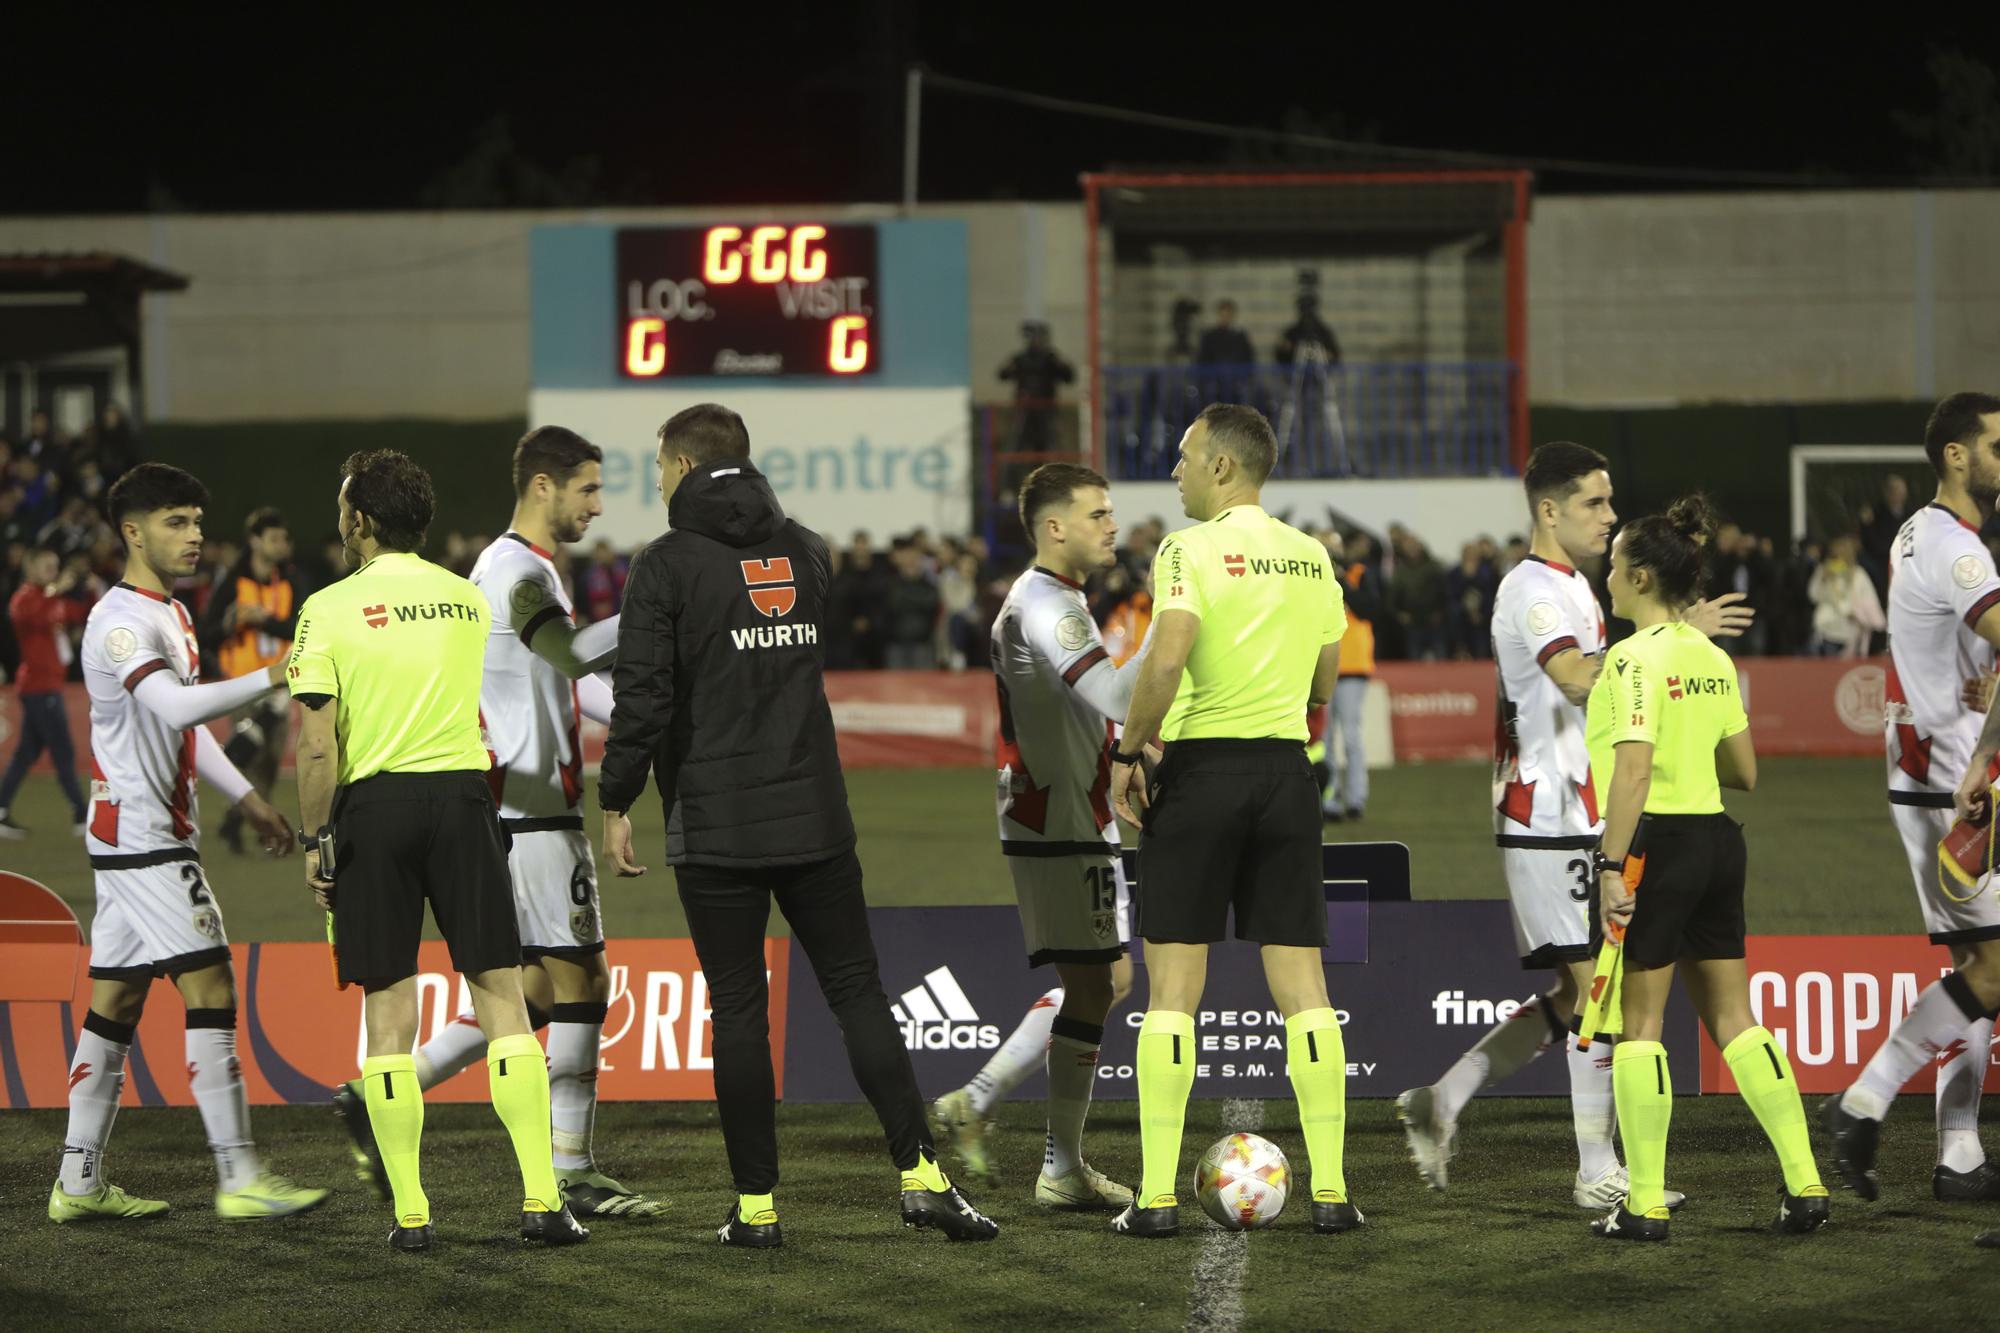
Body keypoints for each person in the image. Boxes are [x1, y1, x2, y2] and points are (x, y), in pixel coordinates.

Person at [598, 403, 996, 1247]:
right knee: (859, 993)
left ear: (681, 464)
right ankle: (923, 1177)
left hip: (716, 824)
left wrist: (615, 797)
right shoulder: (805, 549)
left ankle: (757, 1210)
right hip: (814, 810)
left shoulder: (663, 565)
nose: (658, 478)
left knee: (739, 1008)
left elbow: (644, 697)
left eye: (660, 464)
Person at [1395, 442, 1745, 1209]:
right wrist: (1679, 633)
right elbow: (1577, 677)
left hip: (1573, 812)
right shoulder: (1536, 590)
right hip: (1547, 815)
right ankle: (1596, 1170)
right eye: (1594, 501)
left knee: (1572, 993)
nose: (1611, 514)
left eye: (1610, 499)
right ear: (1548, 511)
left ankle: (1442, 1100)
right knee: (1602, 997)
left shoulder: (1579, 589)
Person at [333, 428, 660, 1221]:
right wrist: (659, 605)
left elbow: (561, 685)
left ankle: (375, 1093)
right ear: (543, 485)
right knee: (582, 979)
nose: (597, 504)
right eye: (587, 488)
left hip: (515, 810)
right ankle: (572, 1166)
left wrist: (644, 719)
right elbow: (576, 654)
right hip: (531, 816)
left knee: (534, 986)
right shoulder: (515, 570)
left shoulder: (520, 568)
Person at [289, 448, 588, 1252]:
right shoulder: (464, 599)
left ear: (359, 519)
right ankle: (540, 1199)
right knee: (502, 997)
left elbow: (317, 745)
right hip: (462, 801)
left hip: (374, 808)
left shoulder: (327, 607)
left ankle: (413, 1213)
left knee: (389, 1011)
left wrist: (318, 839)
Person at [49, 464, 326, 1225]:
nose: (196, 533)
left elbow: (183, 725)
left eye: (198, 519)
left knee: (115, 1003)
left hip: (141, 836)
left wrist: (245, 796)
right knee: (211, 988)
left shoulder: (169, 611)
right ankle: (239, 1174)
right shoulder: (121, 622)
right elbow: (171, 706)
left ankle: (76, 1182)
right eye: (177, 520)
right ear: (132, 532)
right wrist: (279, 673)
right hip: (145, 840)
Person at [1105, 402, 1356, 1239]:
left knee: (1174, 990)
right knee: (1306, 991)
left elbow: (1167, 654)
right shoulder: (1313, 555)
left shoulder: (1188, 548)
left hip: (1204, 772)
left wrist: (1129, 750)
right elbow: (1326, 682)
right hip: (1287, 775)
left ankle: (1154, 1197)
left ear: (1221, 466)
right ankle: (1331, 1190)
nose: (1174, 470)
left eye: (1183, 457)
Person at [1587, 494, 1829, 1241]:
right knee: (1735, 1017)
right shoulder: (1711, 655)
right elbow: (1746, 770)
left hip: (1656, 843)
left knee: (1642, 1023)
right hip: (1719, 840)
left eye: (1615, 563)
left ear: (1637, 576)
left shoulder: (1632, 657)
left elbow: (1631, 772)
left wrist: (1609, 866)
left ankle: (1646, 1203)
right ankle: (1806, 1182)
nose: (1607, 573)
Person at [931, 462, 1143, 1208]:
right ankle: (1056, 1164)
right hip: (1059, 820)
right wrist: (1184, 623)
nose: (1111, 524)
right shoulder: (1047, 603)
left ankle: (988, 1107)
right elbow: (1114, 689)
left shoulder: (1057, 599)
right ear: (1055, 527)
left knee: (1104, 980)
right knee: (1099, 981)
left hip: (1070, 813)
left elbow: (1094, 708)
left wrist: (1127, 749)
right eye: (1097, 513)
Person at [1822, 392, 2000, 1225]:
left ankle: (1958, 1151)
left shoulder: (1920, 533)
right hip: (1952, 780)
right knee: (1992, 970)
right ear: (1957, 455)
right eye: (1999, 443)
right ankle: (1866, 1098)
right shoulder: (1959, 550)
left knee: (1980, 965)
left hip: (1934, 766)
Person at [199, 508, 301, 856]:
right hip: (242, 684)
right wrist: (230, 623)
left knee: (270, 760)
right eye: (273, 538)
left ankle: (243, 818)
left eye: (283, 538)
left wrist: (265, 620)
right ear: (255, 541)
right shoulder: (232, 582)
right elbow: (207, 633)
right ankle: (255, 824)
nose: (281, 545)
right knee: (251, 754)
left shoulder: (289, 579)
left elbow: (302, 626)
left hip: (278, 681)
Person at [0, 547, 90, 837]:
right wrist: (55, 591)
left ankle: (0, 811)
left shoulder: (50, 598)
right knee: (62, 750)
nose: (53, 571)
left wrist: (89, 592)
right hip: (39, 687)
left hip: (48, 686)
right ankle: (82, 814)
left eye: (55, 565)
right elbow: (34, 619)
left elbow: (80, 613)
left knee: (27, 753)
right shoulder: (24, 598)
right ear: (31, 569)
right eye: (47, 566)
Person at [1323, 531, 1381, 823]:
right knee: (1324, 739)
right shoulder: (1316, 577)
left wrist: (1341, 579)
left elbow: (1369, 608)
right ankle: (1328, 798)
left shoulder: (1360, 574)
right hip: (1323, 665)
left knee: (1350, 737)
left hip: (1352, 667)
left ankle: (1356, 798)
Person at [999, 321, 1076, 456]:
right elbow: (1002, 375)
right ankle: (1011, 475)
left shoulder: (1051, 358)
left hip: (1046, 411)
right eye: (1032, 337)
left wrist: (1061, 363)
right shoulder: (1020, 359)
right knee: (1018, 446)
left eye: (1039, 337)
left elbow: (1068, 378)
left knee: (1050, 445)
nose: (1036, 341)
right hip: (1024, 410)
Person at [1805, 532, 1885, 656]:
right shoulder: (1823, 572)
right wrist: (1822, 580)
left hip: (1850, 634)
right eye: (1834, 555)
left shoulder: (1859, 575)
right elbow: (1813, 595)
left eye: (1841, 555)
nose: (1837, 559)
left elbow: (1868, 600)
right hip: (1826, 631)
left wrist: (1856, 614)